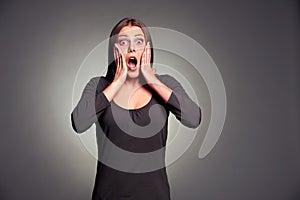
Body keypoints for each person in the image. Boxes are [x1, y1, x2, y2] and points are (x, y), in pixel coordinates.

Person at [71, 17, 201, 200]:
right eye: (123, 42)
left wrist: (152, 80)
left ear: (147, 50)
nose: (132, 48)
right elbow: (79, 122)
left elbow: (193, 118)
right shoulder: (98, 86)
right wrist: (117, 82)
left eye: (138, 41)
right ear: (114, 50)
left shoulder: (165, 84)